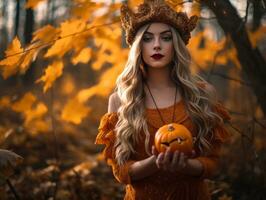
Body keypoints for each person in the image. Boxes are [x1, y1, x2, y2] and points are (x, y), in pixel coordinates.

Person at [95, 0, 231, 199]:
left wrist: (186, 165)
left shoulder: (202, 95)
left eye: (166, 38)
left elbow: (213, 164)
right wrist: (154, 163)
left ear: (176, 45)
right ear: (138, 46)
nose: (157, 45)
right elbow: (121, 172)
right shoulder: (121, 100)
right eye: (148, 39)